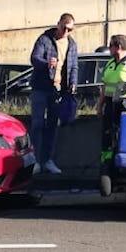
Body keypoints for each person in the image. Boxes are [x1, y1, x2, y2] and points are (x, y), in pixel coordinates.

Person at [28, 13, 78, 175]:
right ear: (58, 24)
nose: (65, 32)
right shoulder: (45, 39)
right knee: (37, 124)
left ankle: (47, 160)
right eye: (64, 27)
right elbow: (34, 59)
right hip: (41, 87)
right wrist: (46, 64)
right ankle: (36, 160)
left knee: (52, 126)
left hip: (59, 90)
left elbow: (74, 66)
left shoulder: (71, 44)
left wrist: (73, 83)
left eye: (69, 29)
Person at [97, 35, 126, 195]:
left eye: (110, 46)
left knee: (124, 136)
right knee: (107, 135)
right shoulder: (110, 64)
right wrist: (100, 105)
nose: (109, 49)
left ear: (117, 46)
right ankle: (107, 165)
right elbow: (105, 87)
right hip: (111, 103)